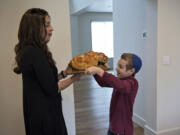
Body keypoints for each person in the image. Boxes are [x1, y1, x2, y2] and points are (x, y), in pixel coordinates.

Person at [13, 8, 80, 135]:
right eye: (47, 24)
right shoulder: (34, 53)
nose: (52, 28)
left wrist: (64, 73)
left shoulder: (32, 51)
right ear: (35, 28)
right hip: (44, 116)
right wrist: (76, 77)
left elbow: (44, 81)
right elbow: (53, 88)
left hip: (41, 113)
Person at [85, 53, 142, 135]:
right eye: (117, 65)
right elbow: (103, 83)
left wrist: (99, 71)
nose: (116, 68)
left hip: (122, 130)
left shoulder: (132, 83)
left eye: (120, 67)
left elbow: (120, 85)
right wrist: (95, 73)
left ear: (131, 71)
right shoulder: (120, 79)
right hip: (113, 126)